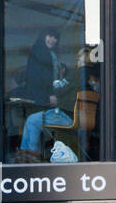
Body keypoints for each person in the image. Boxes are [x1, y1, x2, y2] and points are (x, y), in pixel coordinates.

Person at [16, 29, 74, 159]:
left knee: (31, 122)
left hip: (57, 108)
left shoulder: (46, 54)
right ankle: (28, 157)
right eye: (50, 36)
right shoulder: (41, 53)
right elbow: (39, 79)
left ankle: (28, 158)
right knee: (32, 122)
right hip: (47, 102)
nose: (52, 40)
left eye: (55, 38)